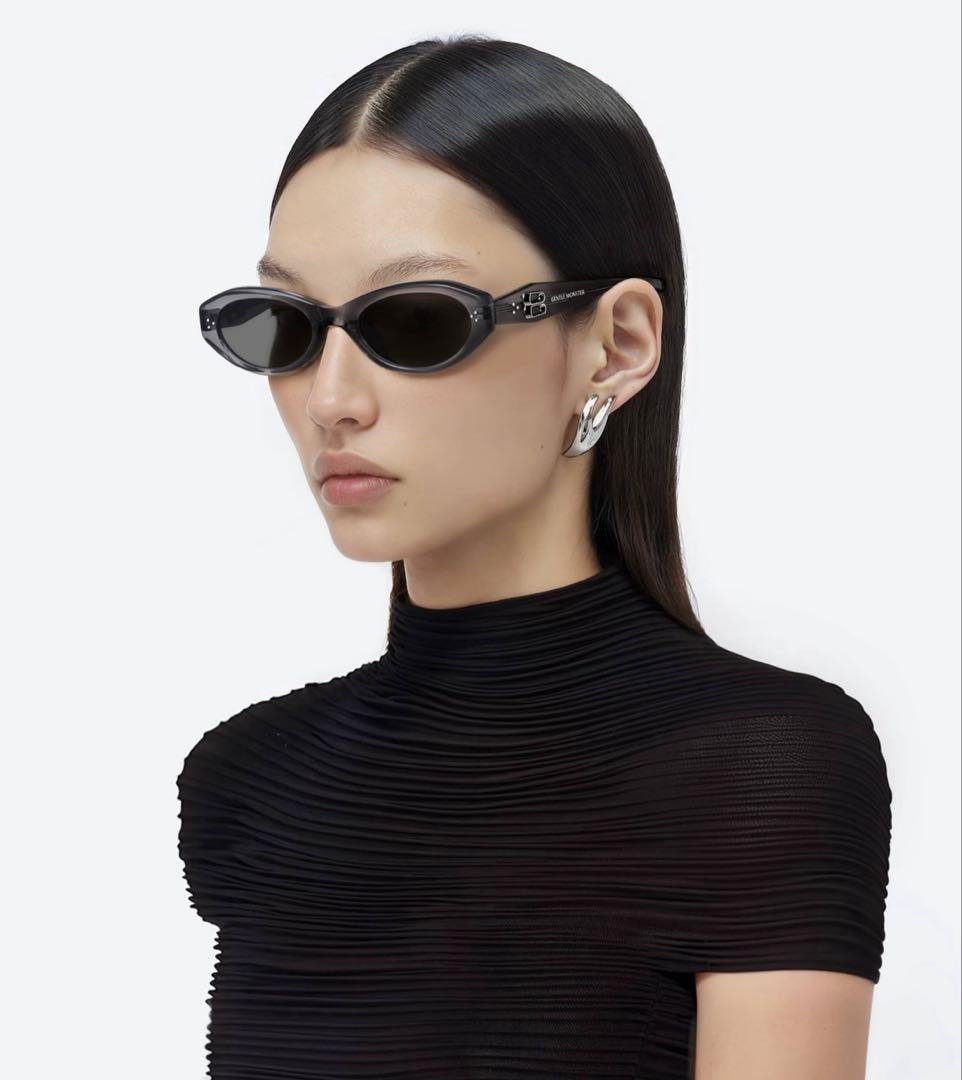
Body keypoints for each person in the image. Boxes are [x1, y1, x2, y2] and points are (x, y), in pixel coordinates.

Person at [177, 33, 893, 1080]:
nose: (330, 399)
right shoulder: (248, 780)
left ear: (617, 345)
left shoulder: (758, 766)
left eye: (416, 319)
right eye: (285, 326)